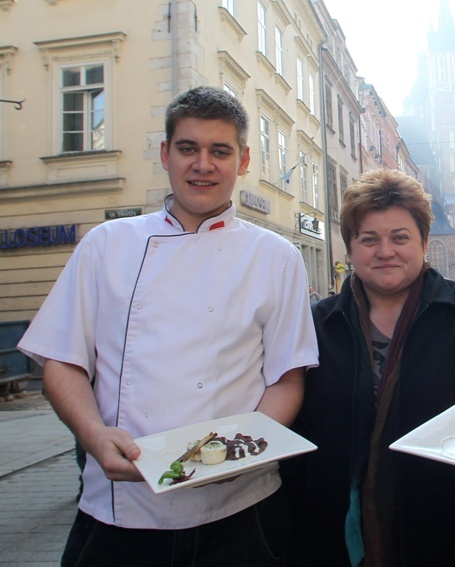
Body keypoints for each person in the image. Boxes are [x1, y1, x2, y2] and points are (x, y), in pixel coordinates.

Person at [17, 86, 318, 566]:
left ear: (243, 160)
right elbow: (63, 360)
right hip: (120, 509)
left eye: (220, 151)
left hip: (242, 510)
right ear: (165, 154)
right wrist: (93, 435)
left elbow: (286, 378)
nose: (203, 164)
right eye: (188, 148)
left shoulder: (277, 256)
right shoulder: (106, 244)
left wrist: (244, 452)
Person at [282, 168, 455, 567]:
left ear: (424, 242)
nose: (385, 251)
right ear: (350, 247)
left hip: (446, 529)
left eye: (400, 238)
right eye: (369, 239)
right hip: (335, 535)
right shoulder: (317, 324)